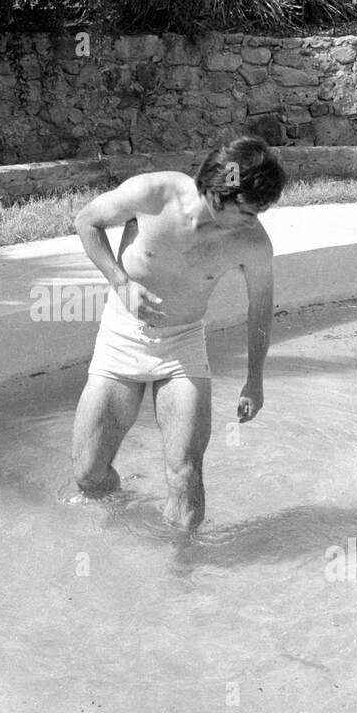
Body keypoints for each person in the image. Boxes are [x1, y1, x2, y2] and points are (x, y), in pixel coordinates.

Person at [71, 135, 286, 530]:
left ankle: (182, 578)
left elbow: (260, 308)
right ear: (220, 195)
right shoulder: (153, 194)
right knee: (88, 475)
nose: (256, 221)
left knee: (185, 478)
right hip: (121, 338)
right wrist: (120, 283)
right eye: (250, 212)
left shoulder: (252, 243)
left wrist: (255, 380)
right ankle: (124, 514)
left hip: (182, 347)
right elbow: (86, 222)